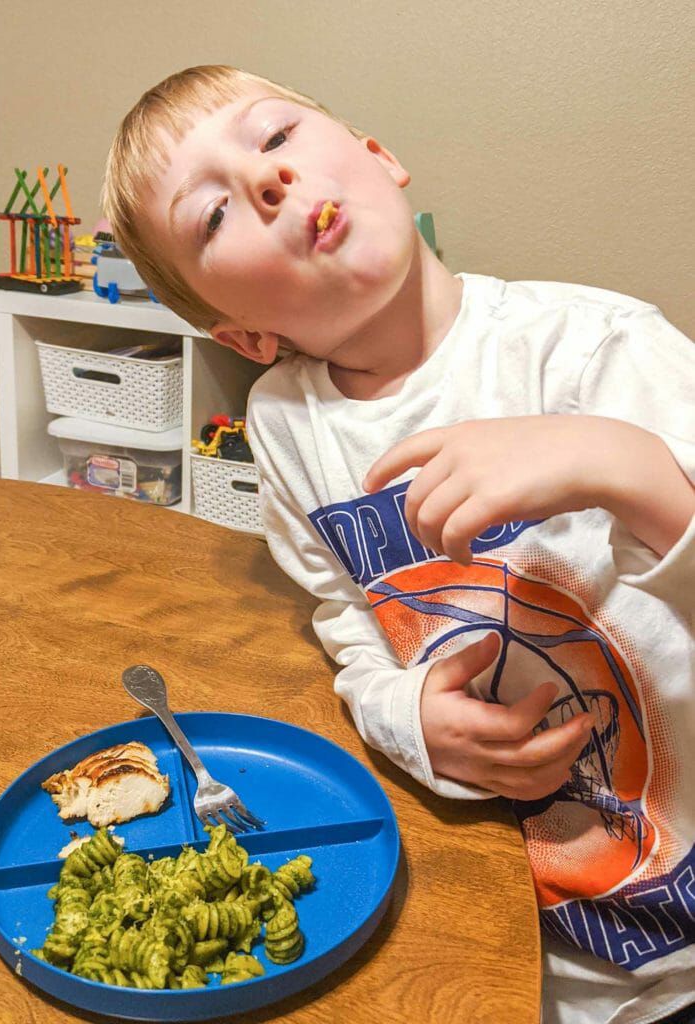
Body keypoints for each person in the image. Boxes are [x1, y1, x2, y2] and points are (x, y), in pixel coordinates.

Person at [102, 64, 695, 1024]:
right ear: (245, 336)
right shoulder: (287, 426)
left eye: (276, 137)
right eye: (213, 215)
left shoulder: (592, 350)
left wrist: (625, 465)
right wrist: (409, 718)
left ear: (381, 159)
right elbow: (345, 625)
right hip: (526, 933)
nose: (267, 182)